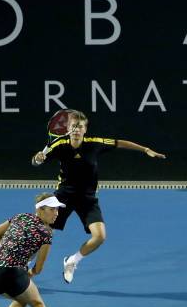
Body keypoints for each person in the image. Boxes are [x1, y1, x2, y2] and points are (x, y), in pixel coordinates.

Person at [31, 109, 166, 284]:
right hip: (64, 197)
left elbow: (119, 143)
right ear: (68, 128)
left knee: (100, 237)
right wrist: (38, 158)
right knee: (42, 232)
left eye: (80, 126)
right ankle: (25, 263)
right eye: (74, 126)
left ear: (85, 130)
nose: (77, 129)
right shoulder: (59, 146)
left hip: (87, 199)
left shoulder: (94, 143)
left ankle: (72, 261)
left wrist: (146, 149)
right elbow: (36, 162)